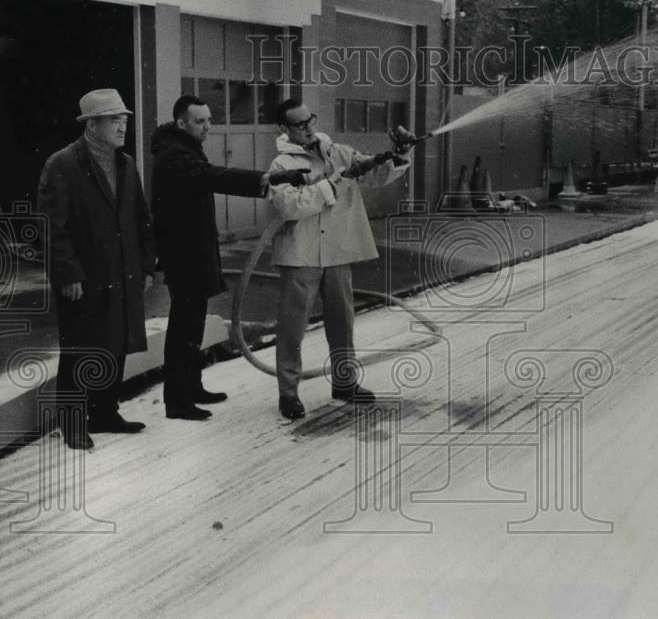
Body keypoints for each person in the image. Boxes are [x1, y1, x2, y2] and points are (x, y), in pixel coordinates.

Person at [150, 95, 309, 420]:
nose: (207, 127)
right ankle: (177, 401)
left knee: (193, 324)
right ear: (182, 123)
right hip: (184, 255)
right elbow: (214, 176)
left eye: (209, 120)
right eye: (200, 121)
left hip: (194, 251)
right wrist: (268, 179)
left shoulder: (184, 147)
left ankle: (192, 387)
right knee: (184, 327)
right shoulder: (173, 155)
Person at [268, 99, 413, 420]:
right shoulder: (281, 165)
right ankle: (288, 394)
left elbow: (376, 174)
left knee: (342, 321)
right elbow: (291, 207)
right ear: (285, 129)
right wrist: (330, 184)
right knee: (293, 327)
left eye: (310, 120)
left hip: (337, 251)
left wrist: (401, 153)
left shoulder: (339, 153)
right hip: (301, 254)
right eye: (299, 124)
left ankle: (345, 384)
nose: (308, 128)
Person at [37, 89, 155, 449]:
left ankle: (105, 413)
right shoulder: (63, 164)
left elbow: (141, 220)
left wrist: (147, 265)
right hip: (84, 277)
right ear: (91, 125)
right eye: (114, 120)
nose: (122, 127)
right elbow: (49, 226)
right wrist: (68, 272)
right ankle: (72, 424)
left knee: (115, 343)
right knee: (80, 348)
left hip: (122, 272)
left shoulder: (126, 164)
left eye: (124, 120)